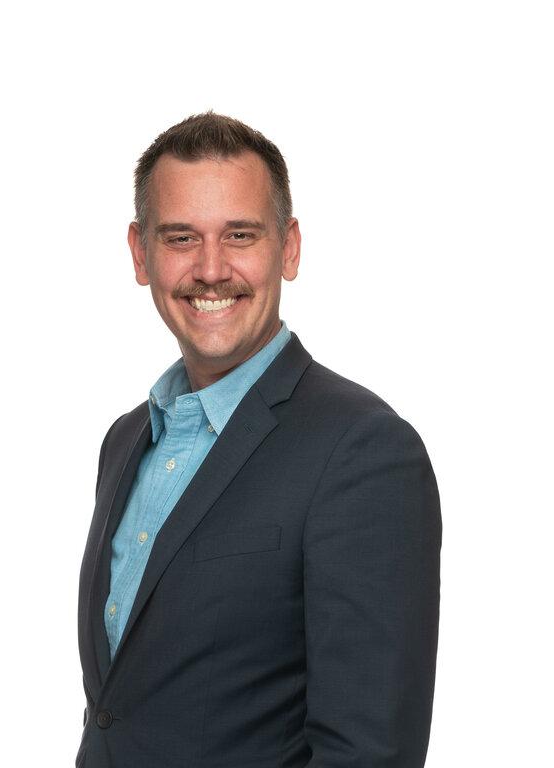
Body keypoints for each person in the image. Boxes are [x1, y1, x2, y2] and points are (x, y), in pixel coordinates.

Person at [76, 112, 442, 768]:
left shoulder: (363, 452)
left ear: (289, 248)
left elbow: (369, 753)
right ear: (140, 253)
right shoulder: (127, 439)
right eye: (181, 237)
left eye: (239, 235)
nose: (210, 269)